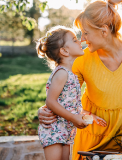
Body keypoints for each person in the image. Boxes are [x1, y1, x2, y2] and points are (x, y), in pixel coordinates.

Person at [37, 0, 122, 159]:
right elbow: (65, 96)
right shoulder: (81, 60)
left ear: (104, 30)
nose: (82, 39)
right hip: (92, 137)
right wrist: (44, 110)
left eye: (85, 33)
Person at [36, 26, 90, 160]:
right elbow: (50, 101)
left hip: (66, 129)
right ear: (65, 51)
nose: (79, 41)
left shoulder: (70, 74)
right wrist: (73, 118)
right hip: (54, 129)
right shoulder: (62, 73)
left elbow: (69, 103)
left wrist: (86, 116)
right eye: (74, 40)